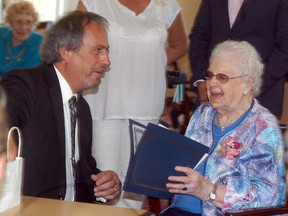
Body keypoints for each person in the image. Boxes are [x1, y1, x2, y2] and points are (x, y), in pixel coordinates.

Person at [0, 11, 122, 203]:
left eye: (106, 51)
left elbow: (80, 170)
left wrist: (105, 182)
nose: (106, 61)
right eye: (98, 50)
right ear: (66, 51)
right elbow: (3, 130)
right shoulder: (26, 86)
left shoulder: (81, 108)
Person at [76, 0, 188, 208]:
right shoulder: (94, 3)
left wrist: (151, 60)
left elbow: (179, 45)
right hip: (104, 103)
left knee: (134, 188)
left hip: (146, 106)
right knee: (102, 184)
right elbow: (75, 44)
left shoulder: (166, 5)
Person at [160, 40, 286, 215]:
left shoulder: (263, 127)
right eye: (210, 75)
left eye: (222, 77)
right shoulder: (203, 113)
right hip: (177, 210)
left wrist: (208, 190)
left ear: (247, 84)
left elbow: (269, 196)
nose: (211, 84)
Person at [189, 0, 288, 117]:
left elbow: (284, 49)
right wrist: (202, 80)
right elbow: (199, 37)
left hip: (260, 98)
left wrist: (248, 88)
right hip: (211, 97)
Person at [0, 1, 44, 76]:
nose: (23, 27)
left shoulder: (41, 42)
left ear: (34, 23)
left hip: (25, 85)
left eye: (28, 22)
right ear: (10, 23)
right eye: (18, 22)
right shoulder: (1, 34)